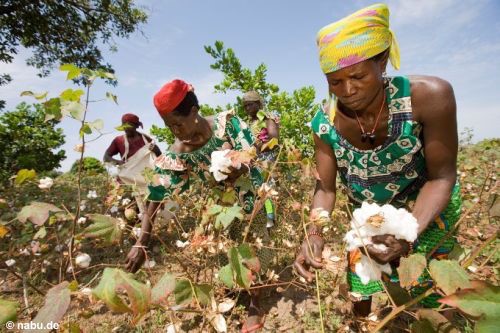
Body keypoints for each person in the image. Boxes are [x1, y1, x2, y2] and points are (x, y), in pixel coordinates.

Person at [294, 3, 461, 316]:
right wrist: (314, 235)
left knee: (433, 294)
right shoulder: (324, 124)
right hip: (370, 217)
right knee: (361, 286)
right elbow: (326, 190)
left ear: (382, 61)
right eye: (335, 81)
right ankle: (363, 323)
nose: (348, 90)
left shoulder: (429, 97)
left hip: (425, 206)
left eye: (357, 76)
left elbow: (442, 177)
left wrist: (408, 232)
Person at [125, 79, 272, 332]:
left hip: (250, 195)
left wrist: (239, 165)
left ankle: (256, 302)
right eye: (169, 126)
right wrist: (142, 240)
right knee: (227, 249)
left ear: (194, 113)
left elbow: (252, 152)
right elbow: (156, 197)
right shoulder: (177, 153)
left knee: (254, 243)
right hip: (219, 207)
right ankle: (234, 285)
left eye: (177, 124)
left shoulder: (227, 124)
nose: (175, 132)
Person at [242, 91, 280, 228]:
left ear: (258, 104)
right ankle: (260, 218)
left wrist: (259, 147)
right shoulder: (250, 123)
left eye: (250, 105)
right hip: (255, 160)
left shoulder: (267, 118)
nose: (247, 109)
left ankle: (271, 220)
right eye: (245, 106)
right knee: (257, 190)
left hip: (266, 160)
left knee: (266, 189)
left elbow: (274, 139)